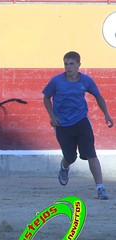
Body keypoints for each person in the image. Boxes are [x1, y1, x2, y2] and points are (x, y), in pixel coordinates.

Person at [42, 51, 113, 200]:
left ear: (79, 65)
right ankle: (65, 166)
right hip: (62, 125)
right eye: (66, 64)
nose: (69, 67)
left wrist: (106, 114)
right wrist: (52, 116)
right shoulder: (56, 81)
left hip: (81, 122)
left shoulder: (86, 80)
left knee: (91, 154)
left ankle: (100, 188)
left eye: (72, 64)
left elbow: (98, 96)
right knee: (70, 156)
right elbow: (46, 97)